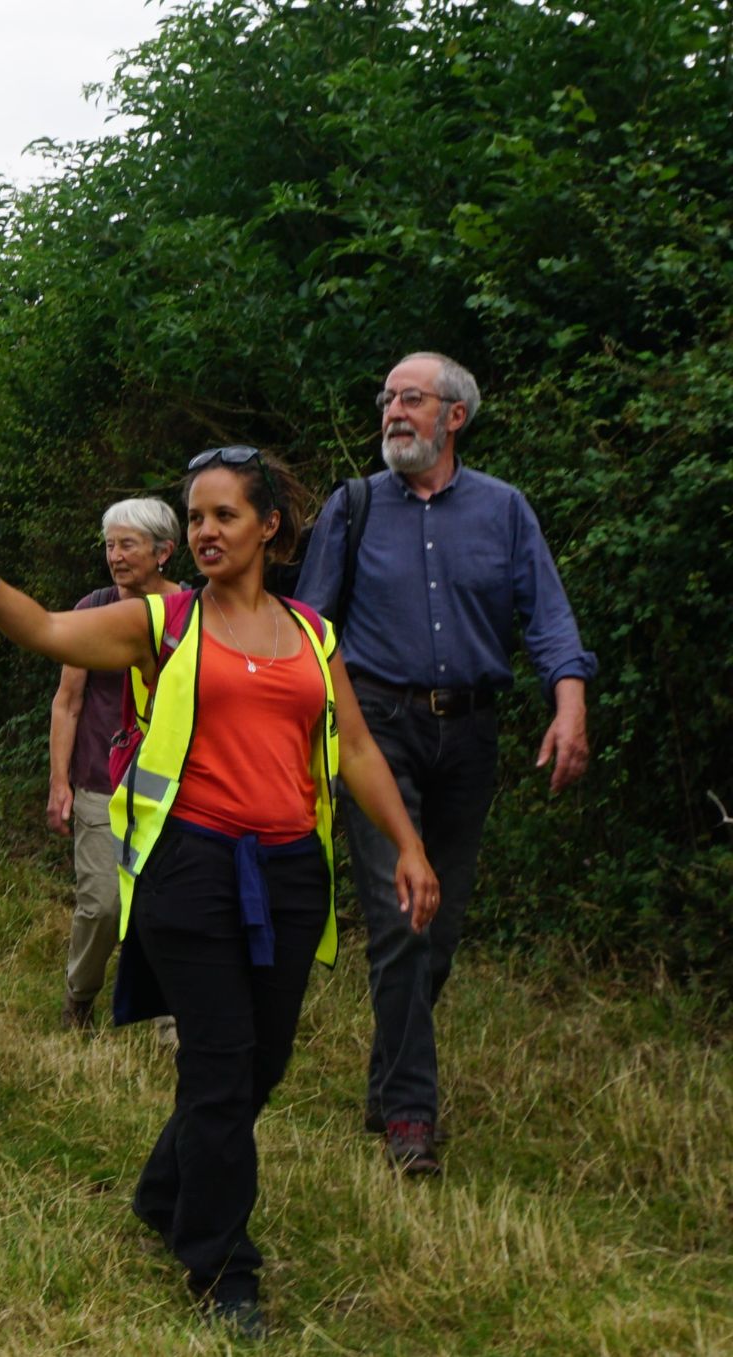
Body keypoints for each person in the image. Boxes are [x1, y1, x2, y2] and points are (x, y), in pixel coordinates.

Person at [0, 447, 438, 1337]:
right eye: (194, 517)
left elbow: (352, 745)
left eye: (224, 515)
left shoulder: (314, 632)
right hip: (187, 869)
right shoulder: (162, 621)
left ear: (269, 527)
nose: (204, 531)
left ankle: (165, 1190)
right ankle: (222, 1266)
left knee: (259, 1065)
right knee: (220, 1060)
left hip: (288, 875)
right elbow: (46, 631)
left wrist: (409, 845)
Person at [296, 351, 596, 1176]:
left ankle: (388, 1074)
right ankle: (410, 1117)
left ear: (454, 416)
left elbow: (549, 617)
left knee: (443, 930)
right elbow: (308, 633)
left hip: (469, 737)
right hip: (375, 731)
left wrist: (568, 704)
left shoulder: (504, 510)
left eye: (412, 398)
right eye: (387, 396)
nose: (394, 410)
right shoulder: (351, 508)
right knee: (403, 918)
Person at [49, 498, 181, 1044]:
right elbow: (68, 700)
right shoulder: (92, 609)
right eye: (110, 545)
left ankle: (169, 1017)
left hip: (177, 787)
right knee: (103, 903)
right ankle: (79, 995)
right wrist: (59, 781)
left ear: (164, 552)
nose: (115, 556)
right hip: (101, 780)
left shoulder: (193, 612)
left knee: (169, 903)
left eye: (127, 545)